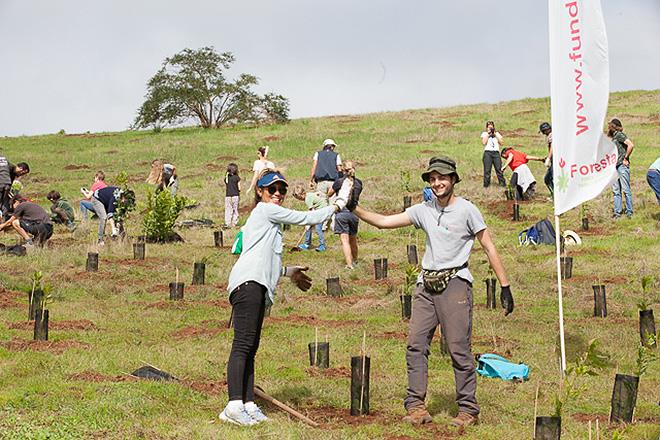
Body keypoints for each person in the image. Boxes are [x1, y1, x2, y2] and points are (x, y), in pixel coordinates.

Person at [352, 156, 513, 429]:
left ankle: (467, 410)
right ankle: (415, 406)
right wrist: (352, 206)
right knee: (416, 345)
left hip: (455, 283)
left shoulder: (467, 210)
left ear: (453, 179)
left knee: (458, 348)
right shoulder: (423, 210)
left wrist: (505, 286)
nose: (437, 183)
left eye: (443, 178)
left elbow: (489, 246)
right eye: (433, 179)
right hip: (425, 286)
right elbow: (383, 222)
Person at [220, 169, 353, 426]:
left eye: (282, 190)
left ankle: (248, 403)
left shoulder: (267, 222)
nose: (278, 194)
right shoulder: (265, 210)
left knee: (251, 346)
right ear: (260, 192)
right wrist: (337, 204)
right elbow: (306, 217)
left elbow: (262, 257)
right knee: (243, 344)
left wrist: (288, 272)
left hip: (256, 283)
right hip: (248, 284)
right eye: (272, 189)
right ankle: (233, 405)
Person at [328, 161, 363, 269]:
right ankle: (355, 260)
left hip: (342, 212)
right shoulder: (359, 183)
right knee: (353, 240)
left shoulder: (339, 182)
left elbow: (329, 193)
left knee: (345, 241)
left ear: (343, 170)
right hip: (354, 213)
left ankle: (349, 265)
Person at [608, 118, 634, 218]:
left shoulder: (619, 135)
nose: (608, 127)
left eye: (610, 126)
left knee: (625, 189)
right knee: (616, 191)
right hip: (614, 167)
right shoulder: (614, 137)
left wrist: (625, 158)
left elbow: (631, 145)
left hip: (621, 166)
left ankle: (629, 212)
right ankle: (617, 213)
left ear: (614, 126)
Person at [292, 181, 327, 252]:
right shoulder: (308, 195)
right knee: (308, 227)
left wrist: (309, 223)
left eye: (298, 198)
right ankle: (307, 243)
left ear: (301, 195)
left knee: (318, 228)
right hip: (318, 210)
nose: (299, 200)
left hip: (322, 212)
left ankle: (322, 245)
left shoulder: (307, 199)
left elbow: (312, 212)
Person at [480, 121, 506, 188]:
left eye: (491, 127)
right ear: (486, 128)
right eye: (489, 127)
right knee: (487, 170)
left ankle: (502, 184)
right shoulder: (484, 134)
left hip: (496, 153)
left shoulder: (497, 134)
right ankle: (486, 185)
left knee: (499, 169)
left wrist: (495, 134)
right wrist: (488, 134)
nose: (490, 128)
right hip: (488, 153)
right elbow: (483, 142)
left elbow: (501, 143)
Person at [224, 163, 241, 228]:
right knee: (235, 210)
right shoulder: (237, 178)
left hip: (228, 196)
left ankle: (227, 223)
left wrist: (226, 174)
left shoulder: (227, 178)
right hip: (235, 195)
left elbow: (226, 181)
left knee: (228, 209)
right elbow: (239, 188)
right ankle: (234, 223)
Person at [539, 122, 554, 196]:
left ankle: (555, 196)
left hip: (555, 159)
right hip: (554, 159)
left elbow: (552, 147)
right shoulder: (550, 135)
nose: (543, 133)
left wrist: (549, 158)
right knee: (548, 179)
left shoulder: (551, 135)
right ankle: (554, 195)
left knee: (548, 179)